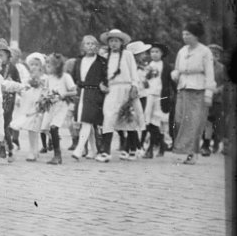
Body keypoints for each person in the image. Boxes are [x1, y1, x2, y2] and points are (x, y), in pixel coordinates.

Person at [96, 28, 145, 163]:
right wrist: (102, 85)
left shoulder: (127, 55)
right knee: (109, 117)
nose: (113, 44)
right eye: (111, 41)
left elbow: (133, 72)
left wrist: (134, 86)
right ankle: (106, 151)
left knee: (127, 118)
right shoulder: (106, 57)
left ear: (121, 42)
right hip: (112, 90)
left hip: (126, 88)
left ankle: (131, 149)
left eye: (116, 41)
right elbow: (103, 75)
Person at [170, 20, 216, 165]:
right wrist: (175, 74)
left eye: (188, 34)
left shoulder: (205, 51)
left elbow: (210, 73)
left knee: (193, 122)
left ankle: (192, 153)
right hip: (183, 87)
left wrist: (209, 93)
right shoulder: (182, 51)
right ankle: (182, 149)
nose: (185, 36)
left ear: (196, 36)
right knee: (179, 119)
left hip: (198, 89)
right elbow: (177, 67)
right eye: (183, 34)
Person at [70, 34, 108, 160]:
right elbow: (74, 77)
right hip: (81, 92)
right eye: (88, 43)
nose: (90, 46)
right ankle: (93, 150)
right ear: (83, 46)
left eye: (93, 44)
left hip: (95, 93)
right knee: (87, 122)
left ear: (97, 46)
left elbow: (106, 77)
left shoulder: (101, 61)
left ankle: (79, 149)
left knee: (87, 120)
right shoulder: (79, 60)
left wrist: (104, 86)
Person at [40, 53, 78, 165]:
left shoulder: (65, 77)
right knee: (44, 128)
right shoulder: (48, 78)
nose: (47, 67)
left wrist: (64, 94)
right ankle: (53, 142)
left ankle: (57, 155)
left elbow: (75, 91)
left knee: (54, 127)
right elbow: (46, 91)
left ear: (57, 66)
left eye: (49, 65)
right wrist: (43, 98)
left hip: (62, 105)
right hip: (50, 106)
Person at [0, 38, 23, 163]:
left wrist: (11, 83)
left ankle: (8, 148)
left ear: (7, 55)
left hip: (8, 101)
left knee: (4, 125)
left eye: (1, 55)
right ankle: (2, 147)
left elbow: (19, 84)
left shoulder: (12, 68)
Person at [13, 53, 49, 162]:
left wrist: (44, 100)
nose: (33, 67)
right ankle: (33, 150)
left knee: (35, 129)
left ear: (41, 66)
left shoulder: (45, 78)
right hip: (29, 106)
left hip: (39, 106)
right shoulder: (27, 78)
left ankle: (34, 151)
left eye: (36, 64)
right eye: (32, 64)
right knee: (31, 129)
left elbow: (47, 91)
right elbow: (23, 90)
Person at [142, 42, 175, 158]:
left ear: (162, 54)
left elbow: (171, 82)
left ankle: (155, 147)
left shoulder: (166, 66)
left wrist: (173, 95)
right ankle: (156, 146)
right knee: (149, 122)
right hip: (149, 96)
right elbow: (145, 81)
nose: (154, 54)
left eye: (157, 52)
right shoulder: (147, 65)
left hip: (160, 97)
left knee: (156, 122)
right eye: (152, 52)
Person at [201, 43, 226, 156]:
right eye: (210, 54)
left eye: (215, 54)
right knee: (207, 122)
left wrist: (218, 90)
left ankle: (216, 143)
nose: (212, 57)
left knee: (216, 122)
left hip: (217, 99)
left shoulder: (222, 68)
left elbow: (226, 83)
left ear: (219, 56)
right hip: (204, 97)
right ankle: (205, 145)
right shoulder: (203, 66)